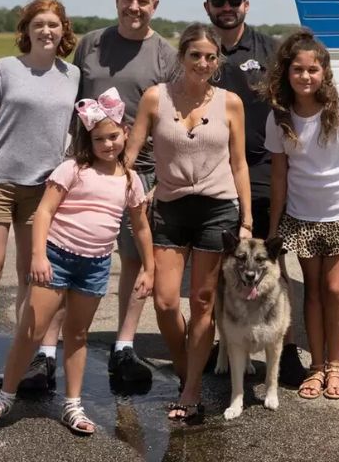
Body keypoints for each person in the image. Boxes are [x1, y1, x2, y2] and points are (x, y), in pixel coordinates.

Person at [0, 88, 154, 435]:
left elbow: (141, 227)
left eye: (113, 136)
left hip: (96, 265)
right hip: (56, 257)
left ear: (125, 133)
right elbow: (43, 212)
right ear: (89, 139)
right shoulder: (72, 168)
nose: (108, 144)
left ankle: (73, 405)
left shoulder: (131, 180)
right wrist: (39, 255)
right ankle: (5, 396)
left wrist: (149, 267)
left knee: (78, 335)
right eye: (99, 139)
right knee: (32, 330)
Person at [126, 23, 252, 424]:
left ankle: (192, 389)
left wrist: (247, 219)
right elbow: (129, 155)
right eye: (195, 54)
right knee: (164, 301)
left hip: (217, 209)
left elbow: (239, 163)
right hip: (170, 207)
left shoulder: (230, 102)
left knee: (201, 302)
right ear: (181, 56)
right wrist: (110, 187)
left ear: (218, 61)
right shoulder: (155, 98)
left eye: (210, 56)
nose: (203, 62)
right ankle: (186, 368)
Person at [0, 0, 80, 398]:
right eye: (39, 24)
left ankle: (23, 359)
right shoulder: (4, 69)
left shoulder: (72, 75)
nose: (47, 30)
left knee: (34, 277)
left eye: (54, 24)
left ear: (64, 30)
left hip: (42, 190)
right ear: (26, 30)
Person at [70, 0, 178, 385]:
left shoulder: (165, 56)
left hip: (141, 175)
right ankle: (48, 347)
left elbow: (170, 121)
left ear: (155, 4)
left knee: (133, 259)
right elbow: (72, 104)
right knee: (74, 255)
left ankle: (125, 345)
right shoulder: (90, 44)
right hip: (86, 170)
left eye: (143, 0)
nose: (135, 7)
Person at [263, 30, 339, 401]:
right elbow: (280, 173)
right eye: (298, 69)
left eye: (313, 69)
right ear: (287, 73)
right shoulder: (280, 117)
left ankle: (336, 365)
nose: (305, 76)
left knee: (335, 289)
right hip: (302, 218)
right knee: (312, 292)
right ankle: (316, 367)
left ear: (324, 72)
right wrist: (274, 227)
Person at [203, 0, 307, 386]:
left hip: (262, 170)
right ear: (208, 7)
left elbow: (300, 93)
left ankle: (289, 345)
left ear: (245, 5)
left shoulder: (269, 51)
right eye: (219, 2)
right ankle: (226, 344)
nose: (226, 8)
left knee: (273, 265)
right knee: (218, 265)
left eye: (233, 1)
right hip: (213, 172)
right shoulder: (202, 51)